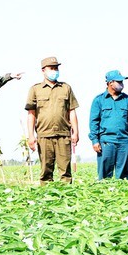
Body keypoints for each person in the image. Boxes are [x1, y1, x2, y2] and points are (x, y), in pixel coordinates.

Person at [25, 56, 79, 185]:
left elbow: (72, 111)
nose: (54, 71)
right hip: (44, 135)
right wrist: (31, 136)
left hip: (63, 134)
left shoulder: (66, 88)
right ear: (43, 70)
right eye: (52, 68)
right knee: (46, 171)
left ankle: (66, 198)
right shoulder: (35, 89)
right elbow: (31, 114)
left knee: (65, 171)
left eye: (56, 68)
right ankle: (47, 199)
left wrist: (75, 132)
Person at [88, 70, 128, 180]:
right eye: (119, 81)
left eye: (122, 81)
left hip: (123, 141)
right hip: (106, 142)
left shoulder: (126, 99)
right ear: (110, 83)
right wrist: (95, 140)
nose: (122, 84)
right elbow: (94, 122)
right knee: (104, 175)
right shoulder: (99, 100)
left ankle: (123, 196)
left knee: (124, 176)